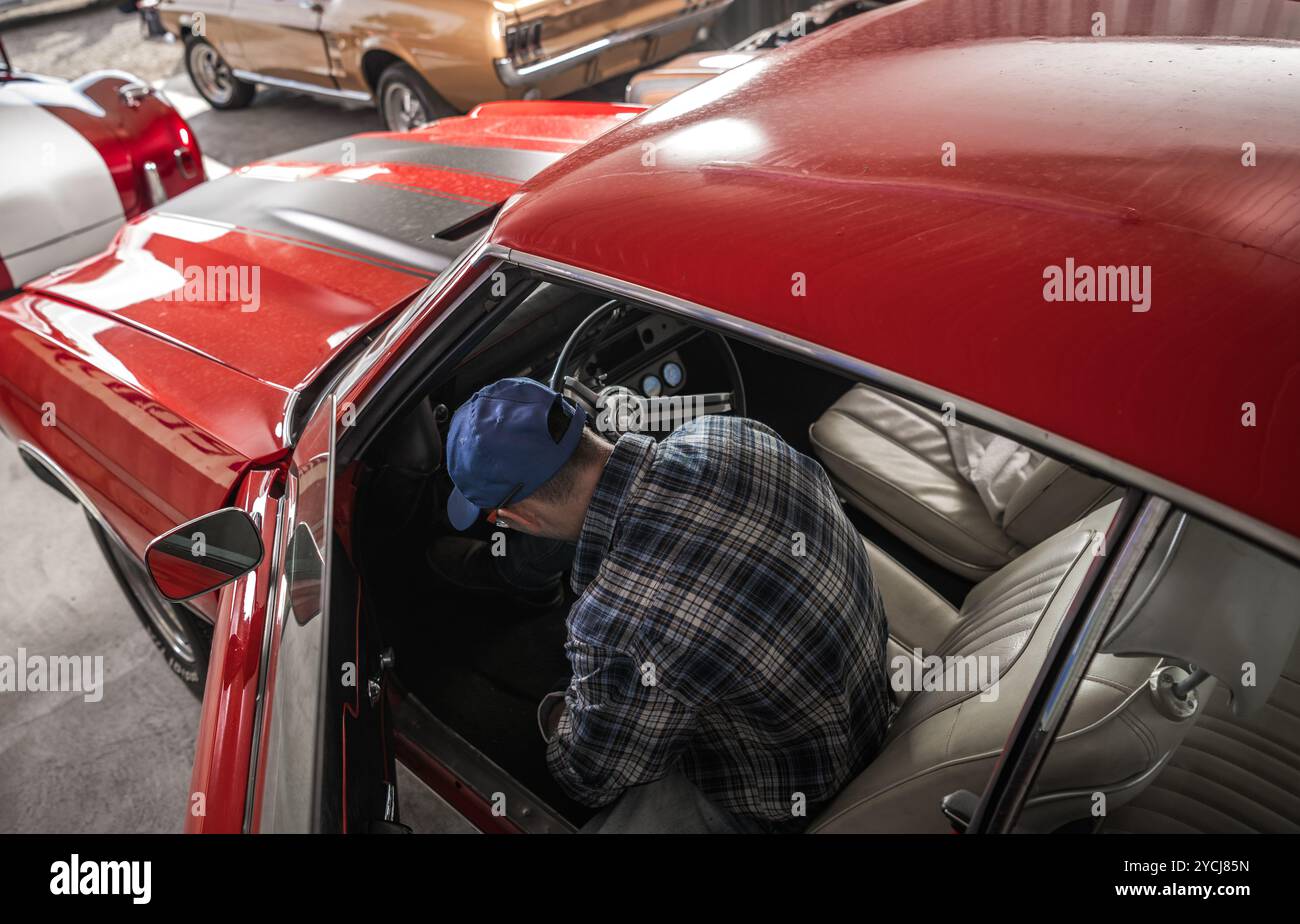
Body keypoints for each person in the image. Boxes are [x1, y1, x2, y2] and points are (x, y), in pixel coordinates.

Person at [434, 376, 895, 833]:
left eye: (495, 517)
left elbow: (586, 777)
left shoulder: (615, 624)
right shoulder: (723, 432)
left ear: (520, 517)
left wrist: (561, 709)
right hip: (868, 699)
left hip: (796, 791)